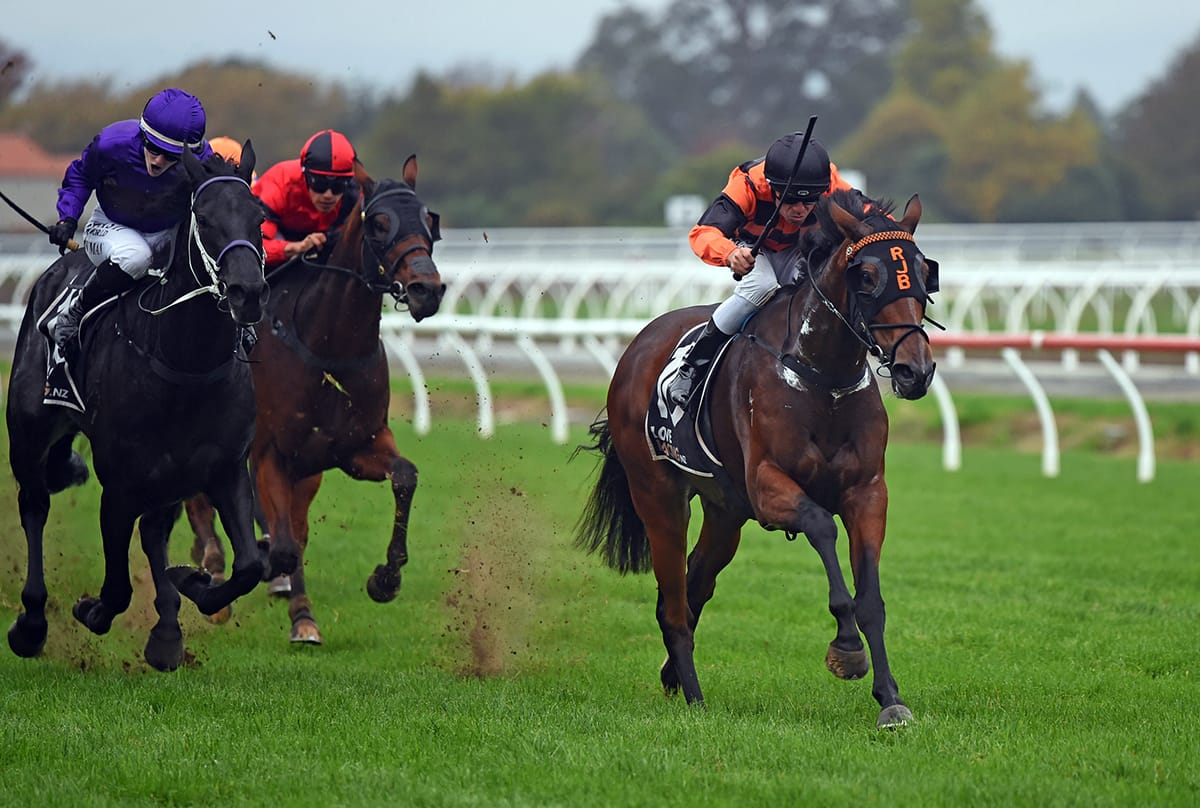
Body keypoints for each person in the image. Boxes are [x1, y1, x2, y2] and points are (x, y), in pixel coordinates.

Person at [667, 133, 861, 407]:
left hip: (799, 248)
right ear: (773, 188)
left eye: (809, 202)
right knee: (761, 286)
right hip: (752, 247)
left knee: (819, 290)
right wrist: (730, 254)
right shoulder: (747, 184)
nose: (800, 210)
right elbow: (703, 232)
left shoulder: (830, 183)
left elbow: (871, 215)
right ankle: (692, 366)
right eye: (791, 200)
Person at [48, 87, 213, 348]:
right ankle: (75, 310)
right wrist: (67, 219)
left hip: (168, 233)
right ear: (142, 134)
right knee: (136, 256)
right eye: (152, 147)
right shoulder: (112, 144)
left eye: (171, 156)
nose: (158, 161)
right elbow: (81, 175)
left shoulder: (203, 161)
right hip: (112, 226)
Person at [252, 129, 360, 269]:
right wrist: (296, 247)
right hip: (280, 240)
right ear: (305, 176)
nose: (328, 195)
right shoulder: (279, 184)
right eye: (319, 184)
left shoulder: (355, 194)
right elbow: (252, 246)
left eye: (338, 186)